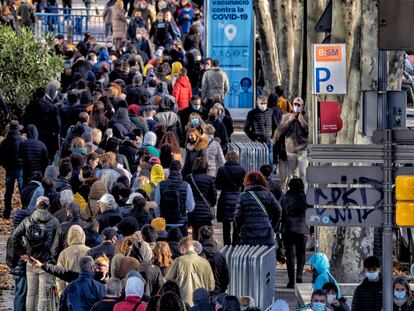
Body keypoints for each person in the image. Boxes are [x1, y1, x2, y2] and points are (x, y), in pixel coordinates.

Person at [11, 196, 61, 311]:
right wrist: (51, 258)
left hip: (31, 260)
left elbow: (14, 236)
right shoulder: (54, 221)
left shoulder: (28, 220)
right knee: (43, 296)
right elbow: (56, 243)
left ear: (36, 206)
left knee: (31, 293)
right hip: (46, 262)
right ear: (48, 206)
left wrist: (22, 253)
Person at [234, 172, 282, 246]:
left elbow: (237, 216)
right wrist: (272, 226)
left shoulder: (243, 196)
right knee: (265, 255)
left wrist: (240, 230)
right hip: (265, 231)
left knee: (249, 255)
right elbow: (278, 211)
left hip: (248, 232)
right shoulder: (269, 195)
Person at [165, 236, 215, 306]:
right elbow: (211, 286)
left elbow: (167, 279)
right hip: (201, 303)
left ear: (182, 247)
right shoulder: (205, 262)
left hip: (184, 302)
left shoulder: (179, 261)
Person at [279, 178, 309, 288]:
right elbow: (312, 213)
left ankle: (291, 280)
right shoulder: (306, 197)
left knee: (290, 255)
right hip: (302, 227)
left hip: (288, 227)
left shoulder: (285, 197)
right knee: (301, 252)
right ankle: (299, 275)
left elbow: (280, 212)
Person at [274, 97, 308, 189]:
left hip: (303, 150)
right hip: (290, 150)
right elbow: (279, 132)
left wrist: (303, 123)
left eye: (298, 105)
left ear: (302, 106)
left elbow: (310, 132)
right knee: (292, 175)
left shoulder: (306, 117)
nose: (296, 106)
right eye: (295, 104)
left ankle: (304, 195)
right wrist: (289, 121)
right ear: (292, 105)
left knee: (303, 174)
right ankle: (291, 192)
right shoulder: (286, 116)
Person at [154, 160, 195, 237]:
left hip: (165, 223)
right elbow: (191, 208)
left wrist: (159, 217)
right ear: (180, 170)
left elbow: (157, 206)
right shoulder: (186, 185)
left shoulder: (160, 185)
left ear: (169, 170)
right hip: (181, 223)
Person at [215, 151, 246, 245]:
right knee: (236, 223)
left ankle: (227, 244)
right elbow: (244, 186)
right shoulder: (242, 170)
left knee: (226, 225)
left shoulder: (221, 170)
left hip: (225, 198)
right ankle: (235, 243)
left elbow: (218, 185)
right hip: (237, 197)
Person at [184, 158, 217, 240]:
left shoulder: (189, 178)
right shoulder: (209, 179)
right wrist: (210, 204)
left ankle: (196, 249)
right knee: (206, 232)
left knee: (195, 230)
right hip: (205, 210)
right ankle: (207, 248)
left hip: (193, 210)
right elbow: (213, 196)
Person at [56, 224, 91, 295]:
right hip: (86, 290)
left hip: (69, 290)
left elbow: (59, 276)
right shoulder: (89, 251)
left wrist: (61, 293)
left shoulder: (63, 253)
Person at [0, 120, 24, 219]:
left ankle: (7, 211)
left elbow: (1, 158)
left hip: (9, 168)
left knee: (9, 190)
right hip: (20, 167)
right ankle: (24, 209)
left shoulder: (4, 142)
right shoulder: (22, 141)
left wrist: (6, 166)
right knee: (22, 189)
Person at [244, 95, 276, 166]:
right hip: (258, 141)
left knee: (270, 162)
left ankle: (269, 177)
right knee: (258, 162)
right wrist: (253, 138)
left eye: (265, 103)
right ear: (257, 103)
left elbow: (275, 125)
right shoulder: (252, 113)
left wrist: (273, 137)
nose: (263, 105)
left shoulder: (271, 112)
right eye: (261, 103)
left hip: (269, 141)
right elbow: (246, 128)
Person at [199, 226, 229, 298]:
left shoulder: (197, 255)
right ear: (212, 236)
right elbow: (225, 277)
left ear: (200, 237)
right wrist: (222, 290)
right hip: (217, 291)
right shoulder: (220, 256)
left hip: (200, 291)